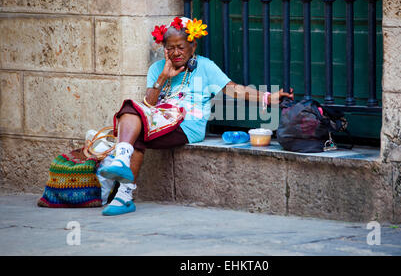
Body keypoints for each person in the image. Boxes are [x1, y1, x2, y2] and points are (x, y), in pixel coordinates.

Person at [99, 17, 294, 216]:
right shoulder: (157, 69)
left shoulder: (205, 66)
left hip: (187, 126)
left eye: (181, 47)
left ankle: (123, 193)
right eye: (170, 48)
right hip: (158, 120)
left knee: (135, 118)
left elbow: (235, 90)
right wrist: (163, 77)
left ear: (193, 46)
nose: (175, 53)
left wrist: (269, 98)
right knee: (131, 109)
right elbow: (149, 104)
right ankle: (122, 169)